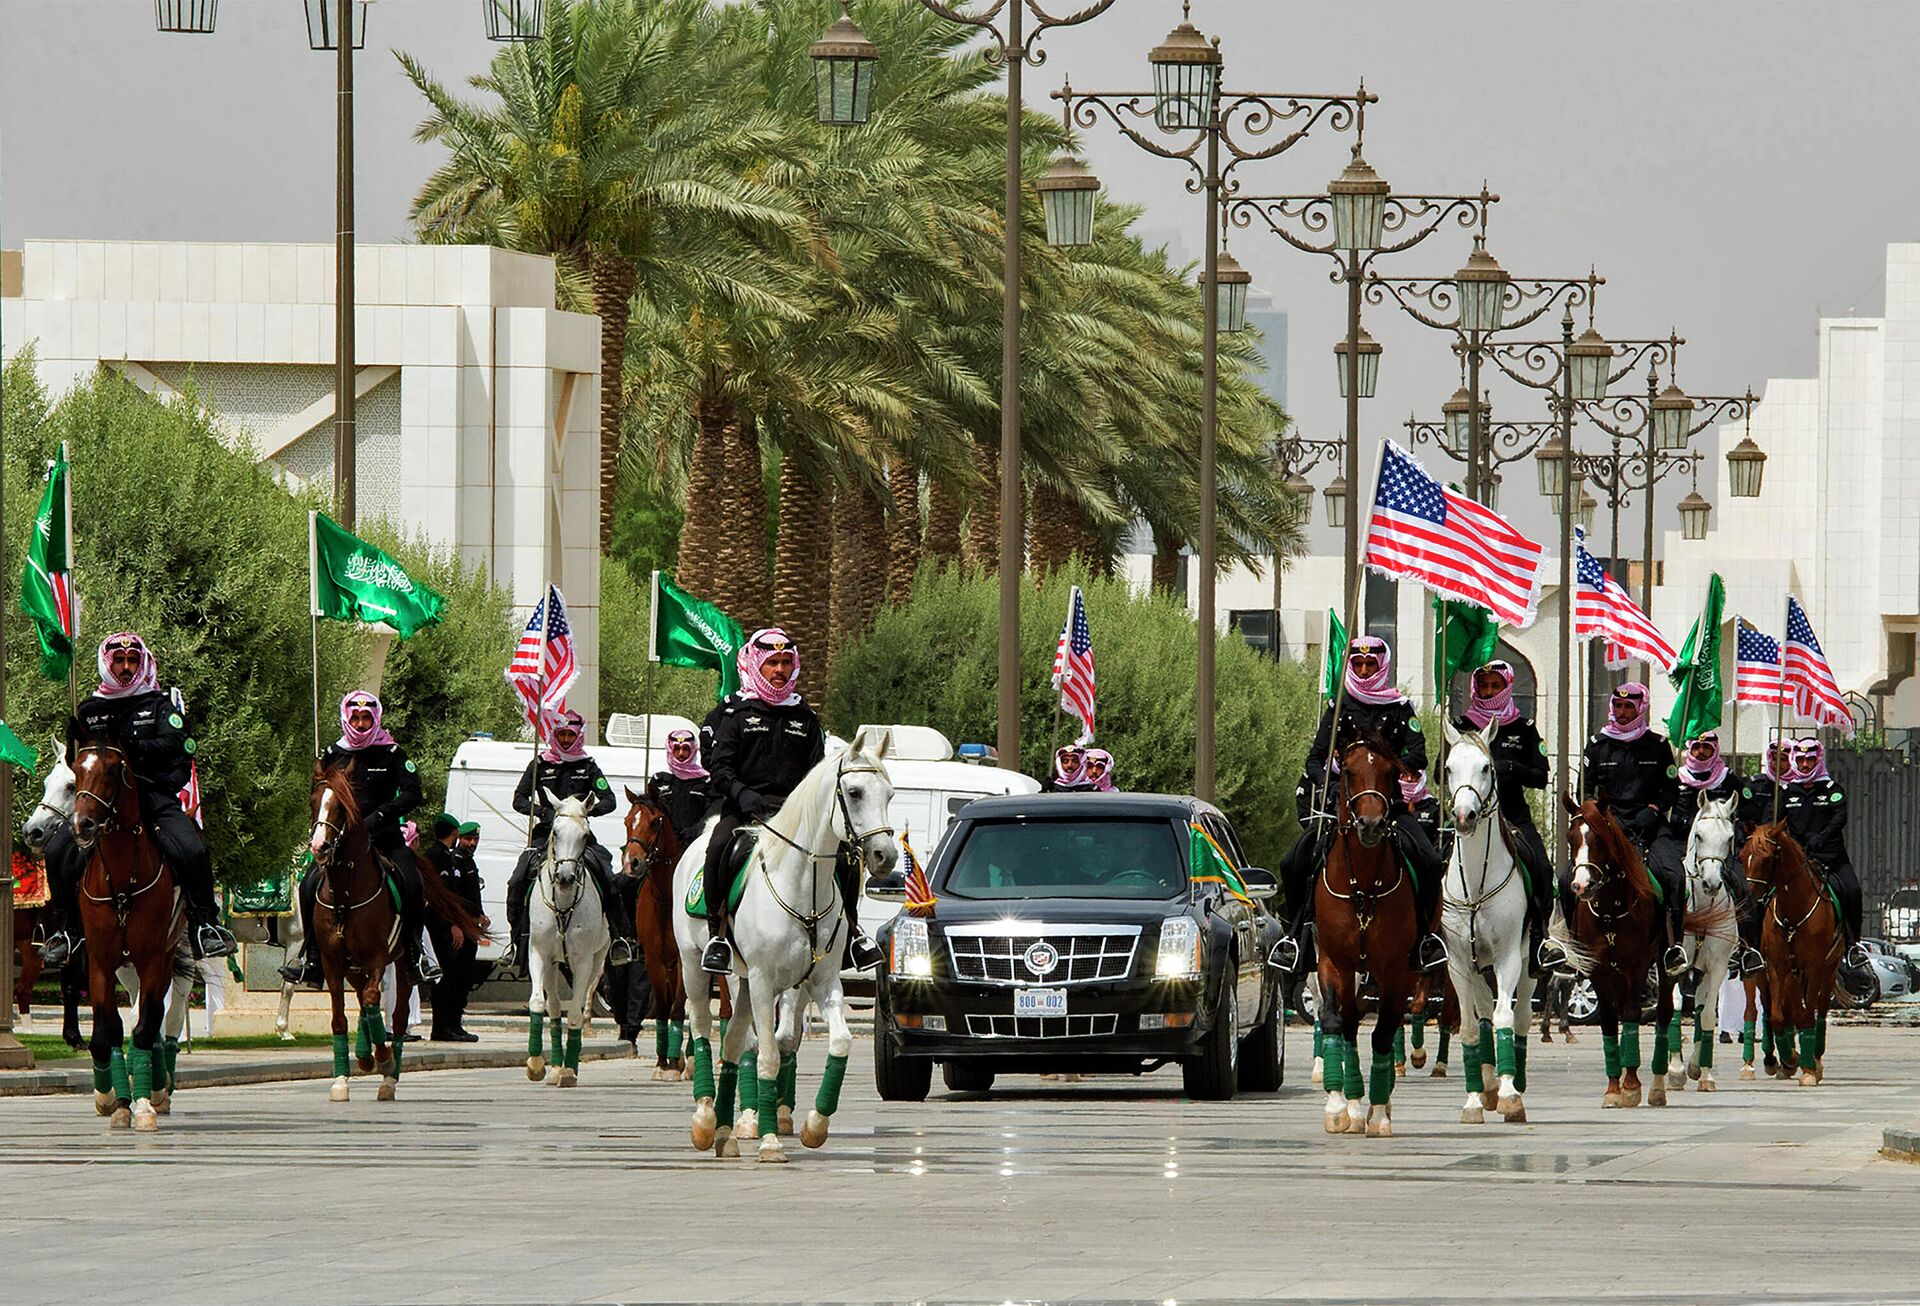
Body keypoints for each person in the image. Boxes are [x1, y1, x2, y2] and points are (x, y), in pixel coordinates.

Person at [40, 633, 236, 966]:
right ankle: (67, 930)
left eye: (133, 661)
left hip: (152, 796)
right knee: (56, 849)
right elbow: (76, 761)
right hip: (98, 803)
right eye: (120, 661)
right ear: (107, 663)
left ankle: (205, 924)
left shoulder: (158, 705)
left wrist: (132, 751)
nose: (127, 668)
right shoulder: (88, 710)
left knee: (192, 850)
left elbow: (178, 746)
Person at [701, 629, 883, 975]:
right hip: (745, 811)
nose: (780, 670)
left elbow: (818, 773)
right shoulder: (737, 714)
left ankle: (854, 934)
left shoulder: (805, 717)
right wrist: (742, 794)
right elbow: (719, 768)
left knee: (845, 856)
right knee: (719, 847)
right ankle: (718, 936)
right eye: (772, 663)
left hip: (796, 817)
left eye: (786, 662)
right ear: (757, 665)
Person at [1272, 635, 1446, 975]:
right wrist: (1334, 782)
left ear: (1383, 665)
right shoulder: (1339, 707)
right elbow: (1315, 759)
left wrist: (1383, 765)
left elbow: (1419, 755)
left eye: (1371, 664)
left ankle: (1425, 941)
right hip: (1343, 809)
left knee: (1428, 861)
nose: (1364, 670)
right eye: (1358, 664)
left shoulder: (1400, 708)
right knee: (1292, 862)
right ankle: (1296, 941)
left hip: (1390, 807)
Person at [279, 691, 438, 985]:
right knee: (308, 884)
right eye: (357, 718)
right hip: (340, 843)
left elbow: (412, 792)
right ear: (346, 718)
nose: (362, 724)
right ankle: (311, 957)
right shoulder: (332, 754)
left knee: (411, 882)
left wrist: (380, 816)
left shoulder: (392, 753)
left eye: (367, 718)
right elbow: (317, 796)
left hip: (384, 837)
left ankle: (417, 953)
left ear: (375, 719)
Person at [499, 708, 635, 974]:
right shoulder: (540, 764)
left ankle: (620, 938)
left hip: (580, 837)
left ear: (577, 735)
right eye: (560, 733)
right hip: (546, 835)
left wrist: (583, 812)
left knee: (607, 876)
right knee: (517, 880)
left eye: (569, 734)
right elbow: (519, 799)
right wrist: (543, 812)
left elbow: (610, 801)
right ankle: (515, 942)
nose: (564, 739)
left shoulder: (588, 766)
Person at [1454, 660, 1562, 974]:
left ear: (1507, 687)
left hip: (1513, 817)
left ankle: (1542, 940)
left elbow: (1542, 776)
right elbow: (1438, 770)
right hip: (1469, 821)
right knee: (1434, 861)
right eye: (1484, 686)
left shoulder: (1523, 729)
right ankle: (1432, 938)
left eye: (1495, 686)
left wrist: (1510, 768)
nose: (1489, 692)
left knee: (1542, 867)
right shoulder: (1463, 726)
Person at [1577, 682, 1686, 976]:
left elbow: (1672, 790)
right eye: (1618, 706)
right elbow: (1585, 792)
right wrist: (1600, 818)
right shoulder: (1597, 744)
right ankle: (1573, 948)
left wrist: (1653, 810)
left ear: (1640, 708)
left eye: (1629, 707)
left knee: (1674, 876)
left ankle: (1673, 948)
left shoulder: (1658, 745)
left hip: (1648, 826)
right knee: (1568, 879)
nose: (1622, 712)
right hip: (1608, 828)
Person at [1780, 737, 1873, 985]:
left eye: (1810, 759)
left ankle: (1854, 946)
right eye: (1800, 760)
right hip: (1798, 860)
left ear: (1818, 759)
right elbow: (1776, 822)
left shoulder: (1832, 789)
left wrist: (1821, 838)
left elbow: (1838, 818)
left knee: (1852, 890)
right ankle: (1755, 946)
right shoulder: (1786, 792)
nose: (1806, 764)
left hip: (1830, 858)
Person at [1670, 730, 1762, 976]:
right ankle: (1673, 946)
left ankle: (1747, 949)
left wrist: (1734, 822)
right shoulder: (1678, 779)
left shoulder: (1728, 779)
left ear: (1715, 750)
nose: (1701, 752)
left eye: (1707, 748)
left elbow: (1750, 808)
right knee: (1671, 885)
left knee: (1743, 888)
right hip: (1681, 844)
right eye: (1697, 747)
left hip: (1720, 851)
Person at [424, 814, 484, 1042]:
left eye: (474, 839)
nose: (471, 843)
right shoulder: (440, 857)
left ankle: (453, 1024)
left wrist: (477, 917)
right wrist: (454, 925)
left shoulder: (455, 858)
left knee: (460, 978)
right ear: (456, 833)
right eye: (467, 838)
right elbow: (443, 898)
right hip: (444, 928)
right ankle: (442, 1027)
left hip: (463, 926)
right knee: (447, 978)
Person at [652, 728, 715, 847]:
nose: (681, 754)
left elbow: (711, 814)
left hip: (696, 845)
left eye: (685, 749)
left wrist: (695, 830)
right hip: (664, 847)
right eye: (676, 749)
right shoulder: (659, 780)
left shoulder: (706, 782)